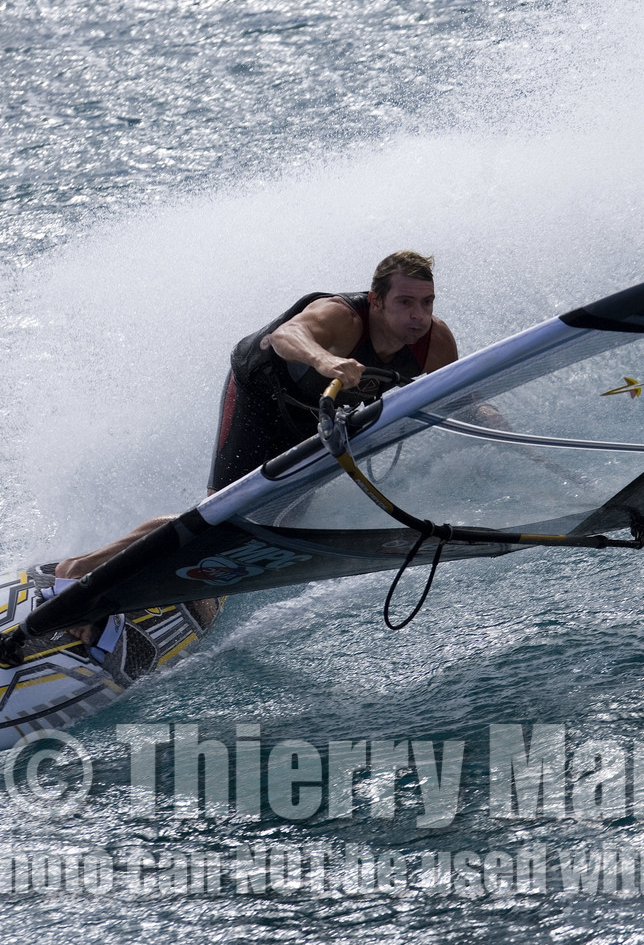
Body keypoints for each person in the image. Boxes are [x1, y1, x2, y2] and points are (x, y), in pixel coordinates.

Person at [27, 251, 471, 659]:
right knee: (223, 513)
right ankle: (79, 570)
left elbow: (463, 397)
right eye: (406, 303)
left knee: (273, 527)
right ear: (376, 301)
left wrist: (517, 443)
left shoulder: (433, 344)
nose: (419, 316)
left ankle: (188, 585)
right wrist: (326, 361)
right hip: (260, 397)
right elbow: (287, 334)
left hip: (312, 421)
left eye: (427, 303)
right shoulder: (341, 317)